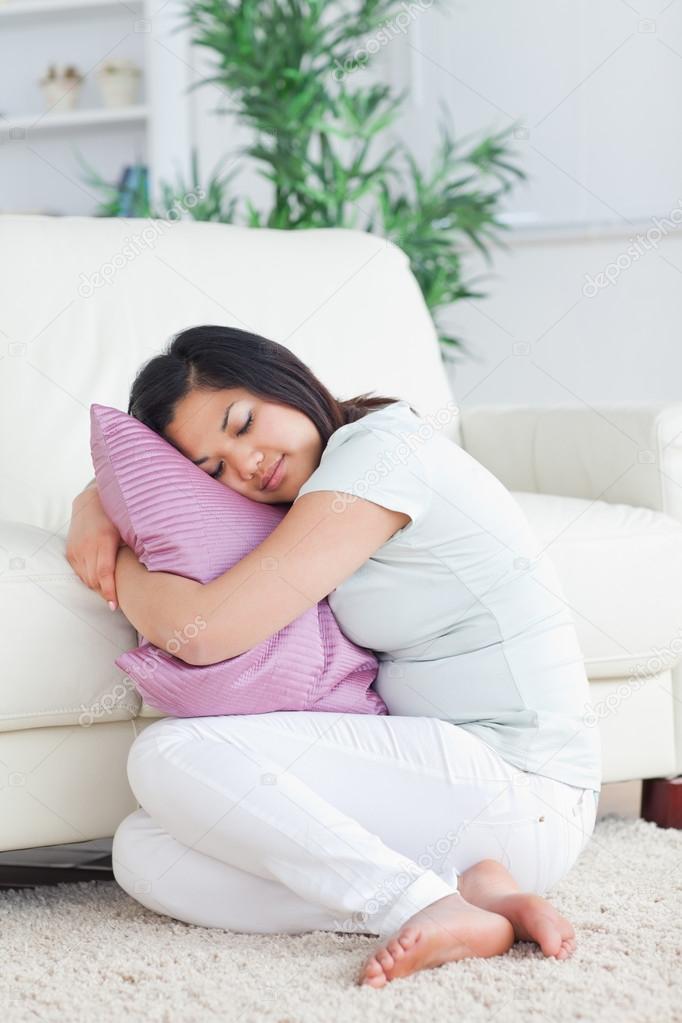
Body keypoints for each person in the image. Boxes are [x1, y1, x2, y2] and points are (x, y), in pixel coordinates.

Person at [66, 324, 602, 988]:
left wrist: (113, 553)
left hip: (522, 786)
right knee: (146, 854)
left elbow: (200, 633)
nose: (247, 464)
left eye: (243, 423)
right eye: (215, 468)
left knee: (167, 753)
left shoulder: (379, 455)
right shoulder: (315, 492)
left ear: (281, 377)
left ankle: (419, 905)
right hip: (451, 808)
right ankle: (466, 895)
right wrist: (94, 500)